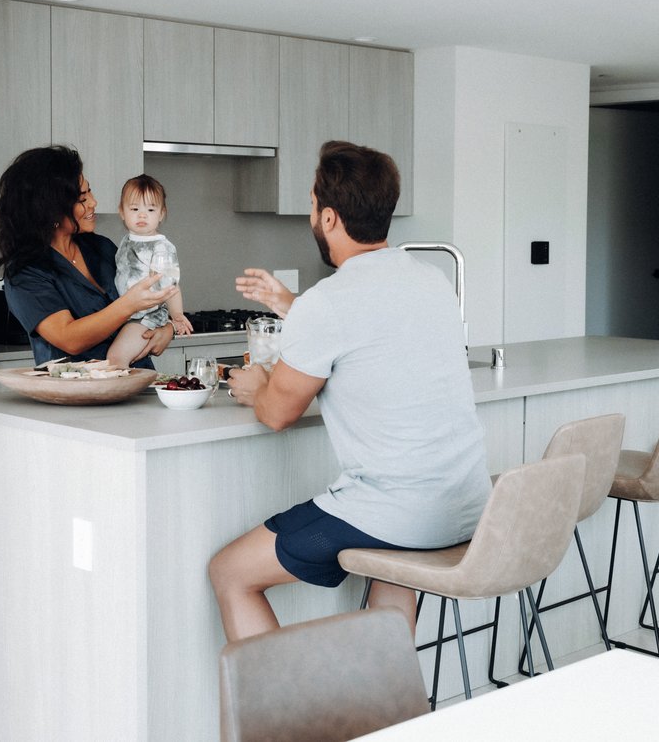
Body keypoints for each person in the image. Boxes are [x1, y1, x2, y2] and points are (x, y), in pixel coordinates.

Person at [209, 140, 490, 642]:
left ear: (331, 218)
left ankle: (283, 719)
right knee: (393, 568)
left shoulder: (329, 302)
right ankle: (391, 714)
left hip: (399, 515)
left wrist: (256, 386)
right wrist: (295, 306)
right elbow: (374, 337)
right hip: (467, 508)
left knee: (230, 572)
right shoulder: (431, 282)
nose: (311, 216)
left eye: (313, 205)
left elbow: (277, 414)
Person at [0, 145, 178, 368]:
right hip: (77, 396)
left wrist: (168, 329)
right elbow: (69, 338)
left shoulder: (101, 248)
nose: (93, 202)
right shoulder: (26, 273)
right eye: (82, 198)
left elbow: (149, 302)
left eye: (90, 192)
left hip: (137, 388)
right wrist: (128, 305)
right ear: (49, 208)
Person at [106, 175, 193, 368]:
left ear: (162, 213)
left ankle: (117, 394)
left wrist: (177, 316)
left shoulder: (161, 247)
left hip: (146, 317)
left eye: (151, 209)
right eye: (135, 209)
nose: (142, 215)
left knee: (115, 358)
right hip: (126, 314)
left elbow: (170, 287)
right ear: (122, 211)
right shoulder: (127, 240)